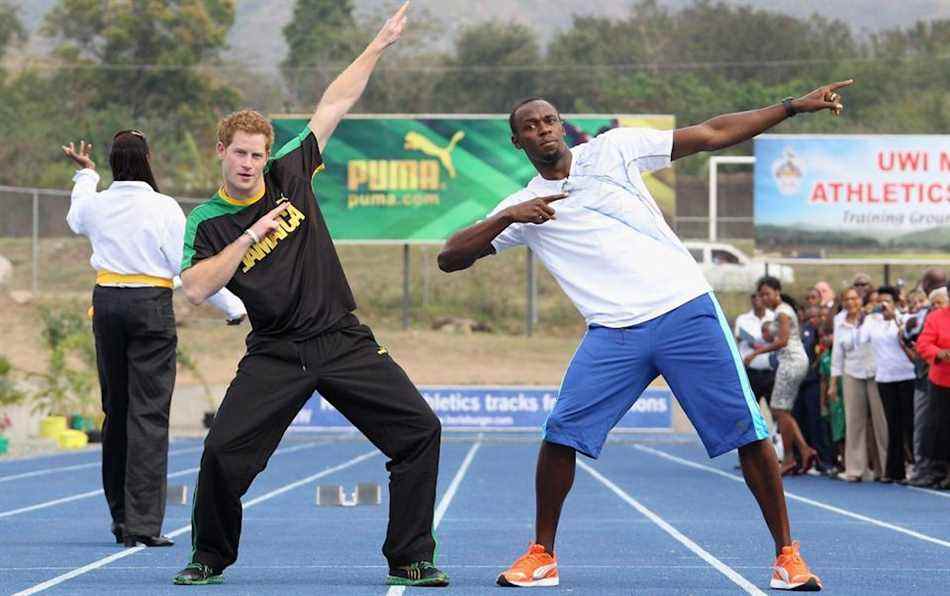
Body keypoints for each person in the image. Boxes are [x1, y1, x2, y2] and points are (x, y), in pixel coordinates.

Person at [438, 80, 852, 590]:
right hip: (613, 332)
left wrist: (791, 107)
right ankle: (542, 554)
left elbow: (712, 133)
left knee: (749, 432)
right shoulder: (524, 208)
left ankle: (787, 555)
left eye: (549, 121)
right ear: (517, 142)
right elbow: (449, 258)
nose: (543, 130)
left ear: (562, 125)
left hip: (683, 311)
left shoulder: (614, 149)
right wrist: (505, 218)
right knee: (560, 433)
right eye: (530, 127)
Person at [171, 4, 448, 588]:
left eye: (256, 153)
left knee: (420, 430)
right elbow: (195, 289)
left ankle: (411, 556)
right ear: (221, 152)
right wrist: (250, 233)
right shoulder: (208, 221)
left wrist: (377, 44)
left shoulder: (289, 172)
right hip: (275, 353)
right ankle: (209, 556)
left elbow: (335, 103)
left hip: (341, 339)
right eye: (239, 153)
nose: (249, 163)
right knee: (222, 454)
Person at [62, 131, 246, 548]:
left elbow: (77, 217)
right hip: (149, 305)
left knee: (117, 410)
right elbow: (188, 269)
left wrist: (86, 177)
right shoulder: (164, 207)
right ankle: (143, 524)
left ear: (112, 161)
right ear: (147, 158)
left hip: (106, 303)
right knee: (148, 414)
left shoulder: (98, 202)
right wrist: (233, 308)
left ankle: (120, 518)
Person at [747, 278, 818, 476]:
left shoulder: (783, 311)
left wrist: (756, 352)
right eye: (761, 295)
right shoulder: (780, 312)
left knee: (780, 410)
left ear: (777, 292)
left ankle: (790, 456)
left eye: (767, 294)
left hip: (792, 361)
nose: (764, 298)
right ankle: (802, 450)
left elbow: (784, 340)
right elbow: (778, 335)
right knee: (781, 410)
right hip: (791, 360)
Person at [857, 287, 915, 482]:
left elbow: (908, 336)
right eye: (879, 301)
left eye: (886, 301)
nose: (882, 305)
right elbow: (860, 339)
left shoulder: (905, 318)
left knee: (909, 423)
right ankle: (894, 471)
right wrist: (865, 317)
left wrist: (895, 317)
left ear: (896, 302)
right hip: (885, 378)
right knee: (893, 424)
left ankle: (914, 465)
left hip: (906, 376)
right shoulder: (872, 322)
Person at [828, 288, 885, 482]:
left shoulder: (872, 318)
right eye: (846, 299)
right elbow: (836, 351)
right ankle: (855, 469)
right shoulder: (839, 321)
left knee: (880, 421)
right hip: (851, 371)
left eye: (854, 298)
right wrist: (833, 382)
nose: (850, 302)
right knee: (854, 421)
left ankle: (885, 468)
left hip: (875, 371)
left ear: (860, 300)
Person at [914, 287, 950, 489]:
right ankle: (943, 472)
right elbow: (923, 344)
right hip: (941, 382)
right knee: (941, 429)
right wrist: (940, 353)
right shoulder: (936, 317)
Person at [734, 293, 775, 406]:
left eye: (760, 296)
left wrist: (752, 340)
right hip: (750, 373)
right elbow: (739, 335)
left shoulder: (774, 316)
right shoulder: (743, 319)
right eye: (754, 296)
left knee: (776, 411)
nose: (757, 299)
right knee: (750, 410)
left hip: (771, 372)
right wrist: (756, 341)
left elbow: (778, 339)